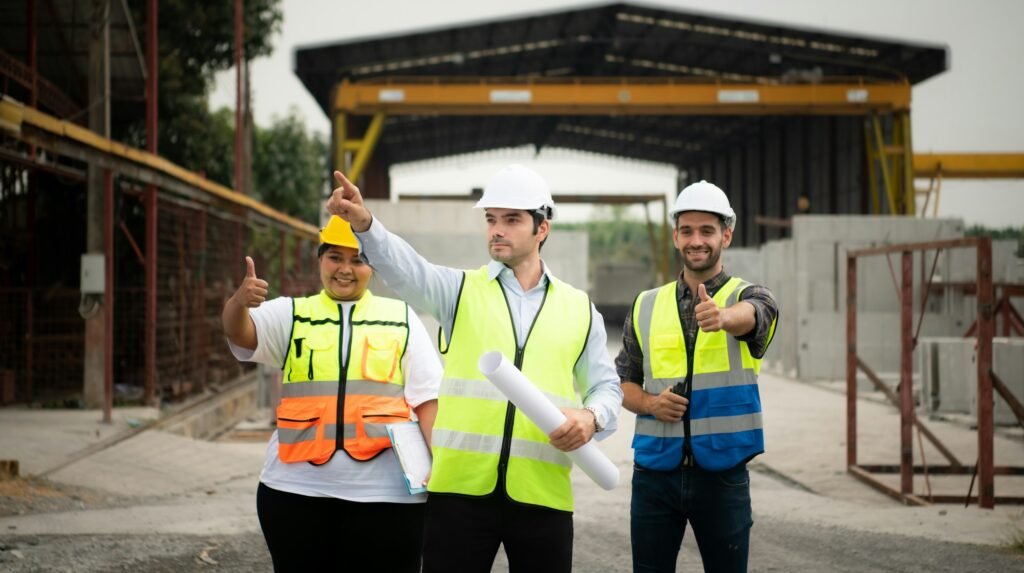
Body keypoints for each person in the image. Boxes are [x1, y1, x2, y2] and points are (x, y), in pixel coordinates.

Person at [326, 164, 623, 573]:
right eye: (491, 219)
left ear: (543, 228)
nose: (497, 230)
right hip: (459, 496)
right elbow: (406, 269)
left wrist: (591, 417)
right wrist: (364, 224)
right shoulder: (459, 291)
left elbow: (607, 388)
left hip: (543, 494)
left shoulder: (579, 309)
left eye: (512, 220)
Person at [221, 216, 441, 572]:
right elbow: (241, 333)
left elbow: (428, 400)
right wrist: (237, 303)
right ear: (320, 259)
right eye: (335, 257)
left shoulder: (401, 318)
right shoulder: (292, 314)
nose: (345, 269)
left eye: (358, 259)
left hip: (387, 499)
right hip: (295, 494)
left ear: (374, 266)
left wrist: (442, 465)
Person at [617, 180, 778, 573]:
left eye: (707, 230)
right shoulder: (645, 305)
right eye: (687, 230)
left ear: (726, 234)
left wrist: (724, 318)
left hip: (722, 477)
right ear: (675, 236)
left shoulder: (749, 296)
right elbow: (622, 384)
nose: (696, 240)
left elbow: (756, 315)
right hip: (655, 476)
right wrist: (652, 404)